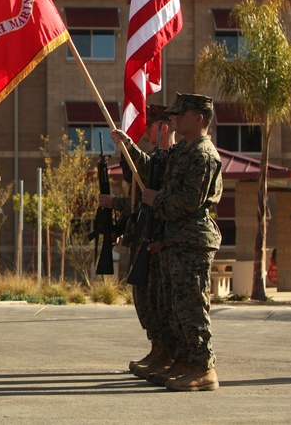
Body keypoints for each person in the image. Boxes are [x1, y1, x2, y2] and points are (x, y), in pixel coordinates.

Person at [136, 93, 222, 392]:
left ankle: (203, 367)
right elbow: (151, 169)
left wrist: (156, 199)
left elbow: (188, 201)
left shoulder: (203, 154)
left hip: (192, 239)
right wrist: (126, 146)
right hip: (176, 238)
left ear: (198, 118)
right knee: (175, 306)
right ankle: (185, 360)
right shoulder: (183, 150)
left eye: (181, 115)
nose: (175, 120)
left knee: (191, 305)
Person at [99, 105, 178, 380]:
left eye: (150, 126)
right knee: (143, 300)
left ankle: (166, 352)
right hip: (143, 235)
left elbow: (162, 199)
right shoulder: (156, 159)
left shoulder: (173, 160)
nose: (145, 131)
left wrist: (128, 144)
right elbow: (138, 202)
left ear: (164, 128)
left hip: (161, 241)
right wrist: (121, 227)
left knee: (158, 301)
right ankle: (158, 349)